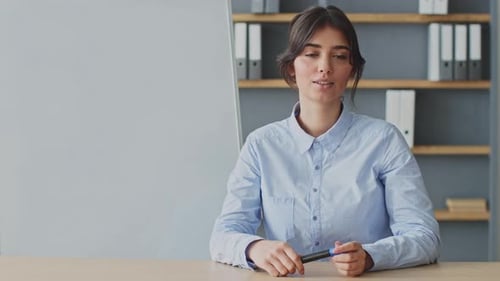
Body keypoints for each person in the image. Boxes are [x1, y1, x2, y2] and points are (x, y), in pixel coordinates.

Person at [210, 5, 440, 277]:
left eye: (339, 56)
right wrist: (254, 248)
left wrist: (370, 256)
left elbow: (425, 237)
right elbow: (223, 236)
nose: (324, 67)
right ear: (291, 67)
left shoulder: (384, 141)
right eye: (311, 54)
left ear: (351, 70)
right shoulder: (261, 146)